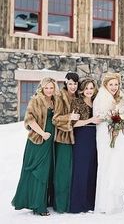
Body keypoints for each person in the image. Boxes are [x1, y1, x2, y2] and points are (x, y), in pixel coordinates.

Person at [93, 72, 124, 214]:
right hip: (105, 135)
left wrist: (119, 119)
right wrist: (111, 118)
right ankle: (105, 204)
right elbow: (99, 116)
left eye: (116, 84)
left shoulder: (120, 97)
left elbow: (123, 115)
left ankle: (118, 205)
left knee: (118, 167)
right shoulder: (100, 98)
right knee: (107, 167)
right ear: (105, 85)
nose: (114, 87)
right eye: (111, 84)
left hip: (119, 134)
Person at [12, 77, 59, 216]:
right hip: (38, 141)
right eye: (46, 88)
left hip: (51, 141)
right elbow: (29, 120)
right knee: (40, 172)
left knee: (48, 171)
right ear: (42, 88)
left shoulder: (55, 100)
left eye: (51, 87)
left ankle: (43, 201)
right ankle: (38, 206)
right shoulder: (36, 100)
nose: (49, 90)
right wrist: (43, 133)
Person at [69, 78, 101, 213]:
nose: (89, 91)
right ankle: (78, 203)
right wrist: (90, 120)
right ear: (82, 89)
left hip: (95, 137)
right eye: (86, 88)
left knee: (93, 169)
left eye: (91, 88)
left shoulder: (97, 102)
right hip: (82, 136)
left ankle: (90, 203)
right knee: (81, 169)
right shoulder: (77, 102)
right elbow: (73, 123)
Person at [52, 72, 80, 213]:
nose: (73, 86)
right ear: (65, 83)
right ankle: (60, 205)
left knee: (72, 172)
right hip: (63, 139)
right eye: (70, 83)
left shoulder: (77, 96)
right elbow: (55, 119)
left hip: (77, 139)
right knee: (62, 173)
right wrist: (70, 117)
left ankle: (71, 203)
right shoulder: (60, 97)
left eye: (75, 83)